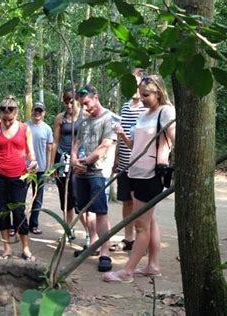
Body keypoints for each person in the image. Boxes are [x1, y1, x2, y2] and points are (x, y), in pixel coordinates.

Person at [104, 75, 176, 283]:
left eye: (146, 95)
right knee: (149, 221)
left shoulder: (166, 112)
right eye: (141, 94)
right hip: (135, 171)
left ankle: (127, 271)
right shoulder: (144, 114)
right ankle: (153, 266)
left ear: (159, 93)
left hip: (151, 174)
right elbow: (134, 145)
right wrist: (121, 135)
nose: (142, 99)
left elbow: (174, 138)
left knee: (141, 226)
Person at [71, 84, 118, 273]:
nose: (85, 107)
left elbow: (105, 145)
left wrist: (86, 162)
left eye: (87, 103)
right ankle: (93, 243)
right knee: (83, 209)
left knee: (100, 211)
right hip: (81, 171)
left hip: (98, 171)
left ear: (96, 97)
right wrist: (74, 159)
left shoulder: (109, 118)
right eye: (82, 104)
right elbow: (77, 142)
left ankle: (104, 252)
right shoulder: (84, 120)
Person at [0, 96, 38, 261]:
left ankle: (25, 248)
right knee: (1, 211)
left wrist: (34, 162)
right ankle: (6, 247)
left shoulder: (24, 129)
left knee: (19, 212)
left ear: (16, 113)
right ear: (0, 114)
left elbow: (30, 152)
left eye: (10, 119)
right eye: (4, 119)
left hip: (19, 175)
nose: (7, 122)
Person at [110, 69, 147, 252]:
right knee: (126, 202)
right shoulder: (125, 107)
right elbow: (119, 134)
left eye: (136, 82)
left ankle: (142, 238)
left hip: (140, 164)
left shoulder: (146, 108)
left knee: (139, 203)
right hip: (124, 162)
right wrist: (116, 160)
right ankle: (128, 238)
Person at [50, 88, 86, 242]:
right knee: (65, 199)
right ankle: (68, 230)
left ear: (77, 100)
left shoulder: (85, 116)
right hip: (62, 160)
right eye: (66, 102)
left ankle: (89, 233)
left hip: (79, 160)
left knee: (78, 197)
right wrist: (52, 165)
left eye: (71, 102)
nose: (68, 105)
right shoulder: (60, 118)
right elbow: (55, 142)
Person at [25, 102, 54, 234]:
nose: (37, 113)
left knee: (38, 198)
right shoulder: (25, 126)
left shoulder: (47, 129)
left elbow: (49, 149)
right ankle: (18, 225)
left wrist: (48, 167)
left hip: (41, 168)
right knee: (20, 197)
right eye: (36, 110)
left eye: (40, 111)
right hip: (25, 168)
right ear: (32, 111)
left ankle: (33, 224)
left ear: (44, 113)